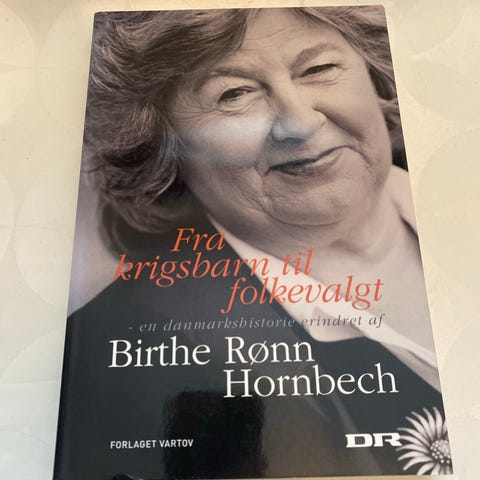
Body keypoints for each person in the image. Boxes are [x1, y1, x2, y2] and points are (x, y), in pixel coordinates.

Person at [56, 7, 450, 480]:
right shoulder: (108, 369)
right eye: (235, 94)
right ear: (159, 145)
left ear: (377, 77)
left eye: (319, 68)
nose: (300, 122)